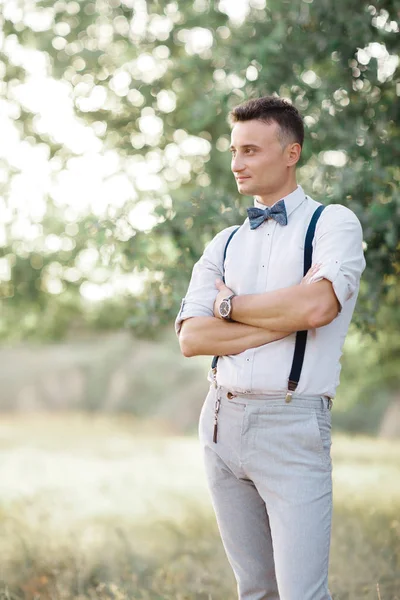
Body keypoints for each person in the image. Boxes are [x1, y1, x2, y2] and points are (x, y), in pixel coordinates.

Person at [174, 96, 366, 600]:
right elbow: (193, 338)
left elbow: (317, 308)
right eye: (234, 151)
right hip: (219, 420)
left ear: (291, 153)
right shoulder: (224, 243)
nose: (237, 164)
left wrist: (229, 306)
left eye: (251, 150)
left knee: (303, 593)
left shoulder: (333, 224)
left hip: (292, 421)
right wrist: (277, 321)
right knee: (256, 589)